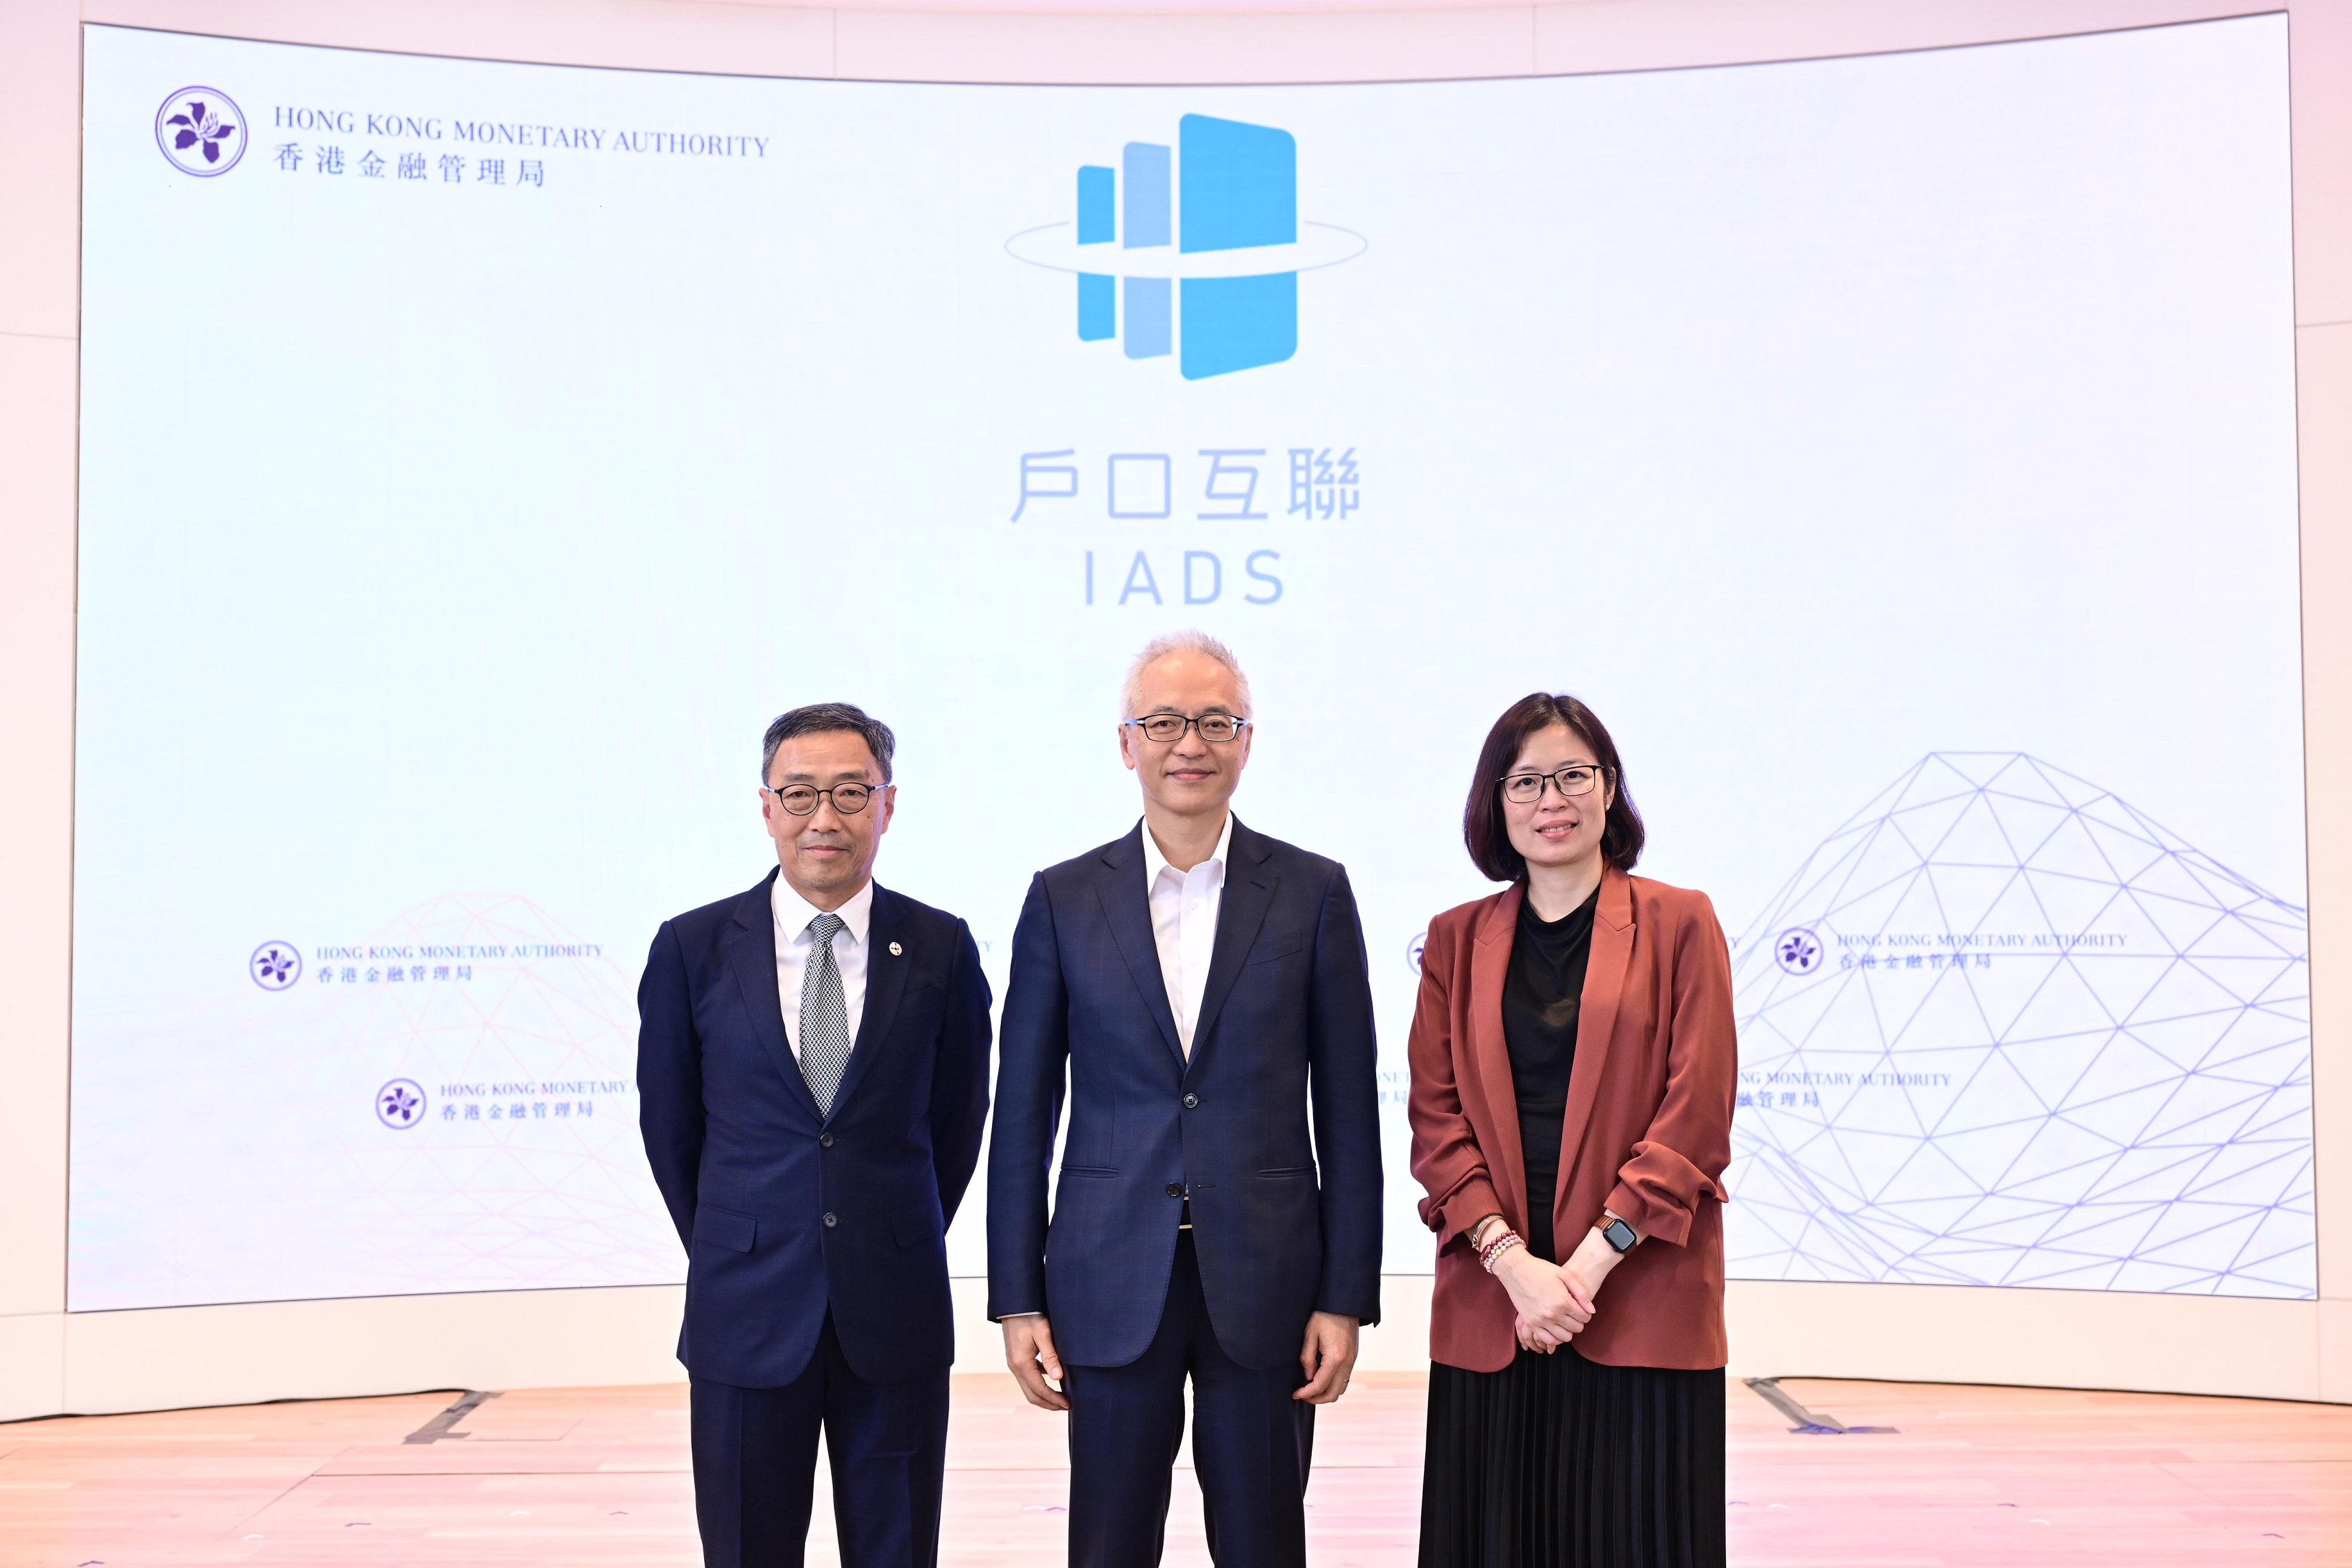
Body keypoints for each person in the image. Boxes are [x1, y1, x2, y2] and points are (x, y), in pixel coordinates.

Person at [987, 630, 1383, 1568]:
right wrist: (1016, 1297)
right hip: (1107, 1274)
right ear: (1127, 743)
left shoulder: (1313, 892)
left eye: (1214, 722)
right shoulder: (1063, 898)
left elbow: (1351, 1113)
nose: (1189, 744)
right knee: (1110, 1543)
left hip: (1270, 1280)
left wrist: (1346, 1295)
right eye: (1164, 722)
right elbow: (1023, 1116)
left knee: (1263, 1542)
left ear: (1248, 740)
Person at [636, 702, 993, 1568]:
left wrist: (887, 1230)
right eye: (799, 794)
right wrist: (746, 1239)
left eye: (848, 792)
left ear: (887, 803)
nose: (823, 818)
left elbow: (957, 1122)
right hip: (746, 1310)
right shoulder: (692, 949)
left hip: (895, 1307)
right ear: (766, 807)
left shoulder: (941, 948)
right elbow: (671, 1127)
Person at [1406, 692, 1736, 1568]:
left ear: (1609, 789)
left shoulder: (1681, 922)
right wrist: (1515, 1267)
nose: (1550, 801)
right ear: (1496, 802)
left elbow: (1696, 1115)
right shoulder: (1454, 939)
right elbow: (1435, 1122)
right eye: (1525, 782)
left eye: (1572, 777)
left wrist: (1583, 1272)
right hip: (1497, 1303)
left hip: (1637, 1295)